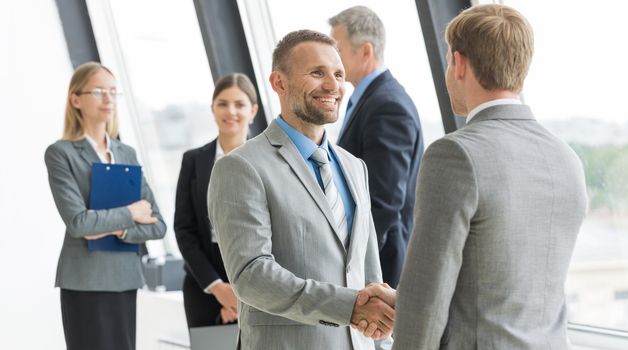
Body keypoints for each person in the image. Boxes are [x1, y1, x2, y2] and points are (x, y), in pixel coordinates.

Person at [355, 4, 588, 349]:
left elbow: (427, 300)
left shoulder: (455, 155)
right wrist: (402, 302)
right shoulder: (567, 159)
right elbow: (503, 288)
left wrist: (410, 310)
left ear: (460, 63)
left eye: (448, 60)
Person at [207, 29, 394, 350]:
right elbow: (251, 275)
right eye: (317, 72)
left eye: (338, 74)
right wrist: (348, 307)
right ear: (279, 83)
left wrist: (381, 339)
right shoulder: (241, 166)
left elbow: (368, 271)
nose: (333, 84)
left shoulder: (354, 167)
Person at [44, 61, 167, 350]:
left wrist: (118, 230)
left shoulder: (126, 153)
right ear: (76, 99)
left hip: (124, 277)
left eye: (113, 92)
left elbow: (158, 225)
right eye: (99, 91)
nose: (108, 99)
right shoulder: (61, 154)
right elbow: (79, 224)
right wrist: (131, 214)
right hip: (85, 281)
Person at [329, 6, 424, 288]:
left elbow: (383, 203)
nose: (333, 58)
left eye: (338, 49)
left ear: (366, 52)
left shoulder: (387, 106)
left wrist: (356, 265)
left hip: (379, 269)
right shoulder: (367, 99)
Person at [174, 73, 258, 328]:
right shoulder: (193, 161)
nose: (230, 111)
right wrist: (217, 288)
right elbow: (184, 229)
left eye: (239, 104)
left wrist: (240, 296)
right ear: (212, 109)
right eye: (222, 103)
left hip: (257, 286)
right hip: (204, 284)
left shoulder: (268, 163)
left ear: (253, 111)